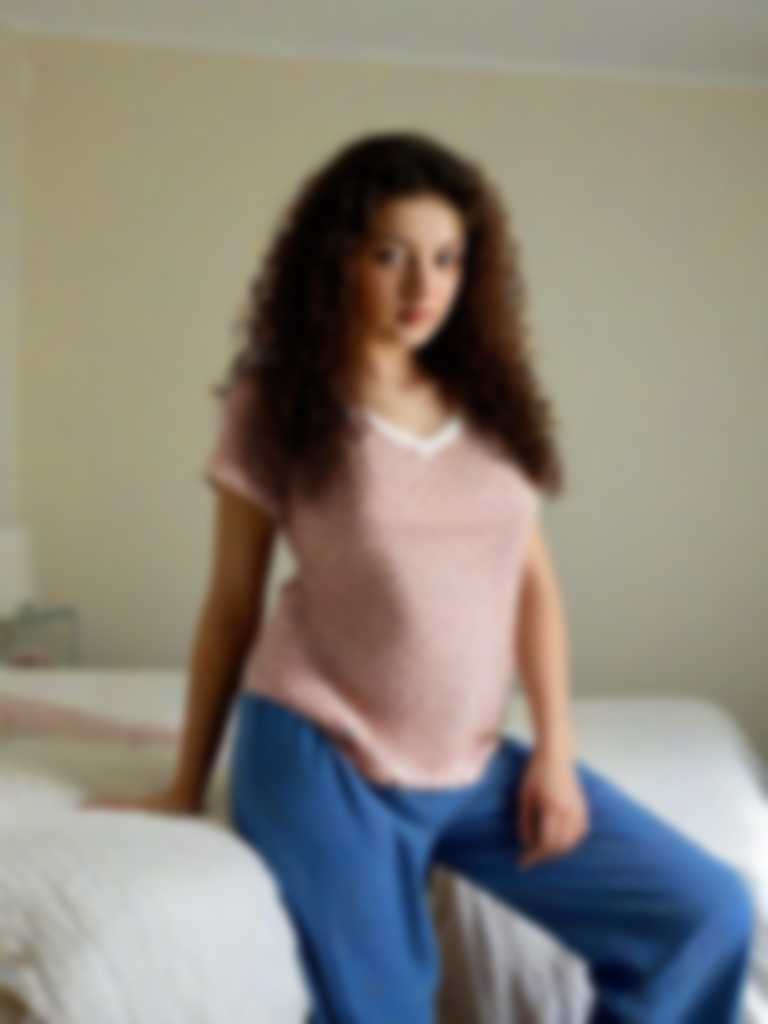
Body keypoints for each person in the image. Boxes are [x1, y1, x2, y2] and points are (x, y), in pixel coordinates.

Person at [84, 131, 756, 1022]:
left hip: (469, 762)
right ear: (339, 259)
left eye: (446, 259)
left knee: (706, 913)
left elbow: (533, 589)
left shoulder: (491, 405)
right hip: (323, 758)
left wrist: (555, 753)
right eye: (390, 256)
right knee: (389, 1007)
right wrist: (186, 782)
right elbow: (231, 607)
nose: (422, 287)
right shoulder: (278, 403)